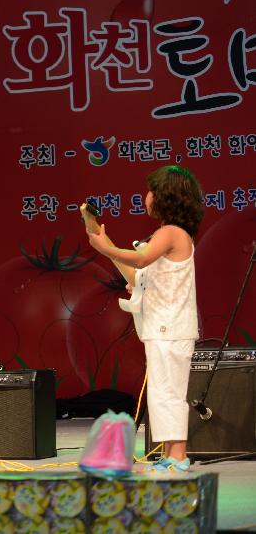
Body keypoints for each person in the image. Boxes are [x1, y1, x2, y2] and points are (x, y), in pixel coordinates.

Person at [86, 165, 203, 472]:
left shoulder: (171, 233)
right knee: (162, 391)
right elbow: (138, 275)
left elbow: (140, 258)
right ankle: (172, 454)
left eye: (151, 191)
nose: (146, 196)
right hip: (162, 326)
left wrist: (106, 247)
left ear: (165, 196)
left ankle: (178, 456)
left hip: (171, 326)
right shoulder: (165, 235)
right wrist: (107, 249)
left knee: (169, 392)